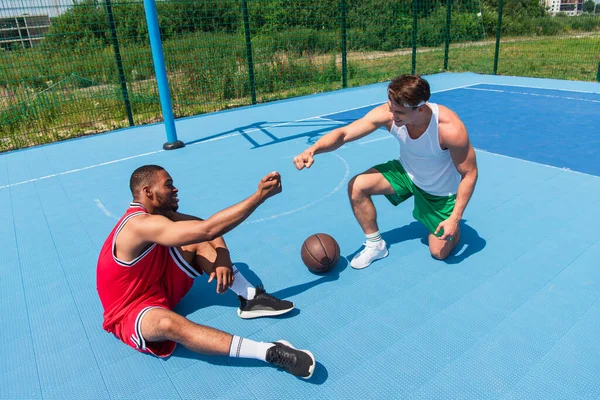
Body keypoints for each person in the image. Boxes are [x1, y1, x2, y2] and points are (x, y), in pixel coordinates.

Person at [96, 165, 315, 379]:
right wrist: (259, 197)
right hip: (129, 309)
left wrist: (223, 255)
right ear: (148, 192)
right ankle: (269, 352)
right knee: (168, 324)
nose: (175, 189)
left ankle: (250, 298)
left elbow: (200, 225)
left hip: (156, 286)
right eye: (168, 184)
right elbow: (208, 228)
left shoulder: (159, 214)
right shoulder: (138, 224)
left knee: (197, 242)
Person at [293, 74, 478, 268]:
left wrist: (454, 219)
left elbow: (469, 173)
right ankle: (375, 245)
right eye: (390, 107)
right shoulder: (390, 114)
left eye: (398, 112)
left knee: (438, 253)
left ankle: (453, 229)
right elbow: (344, 134)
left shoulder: (449, 129)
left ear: (421, 108)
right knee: (357, 186)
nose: (392, 114)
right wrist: (312, 149)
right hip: (406, 172)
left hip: (438, 191)